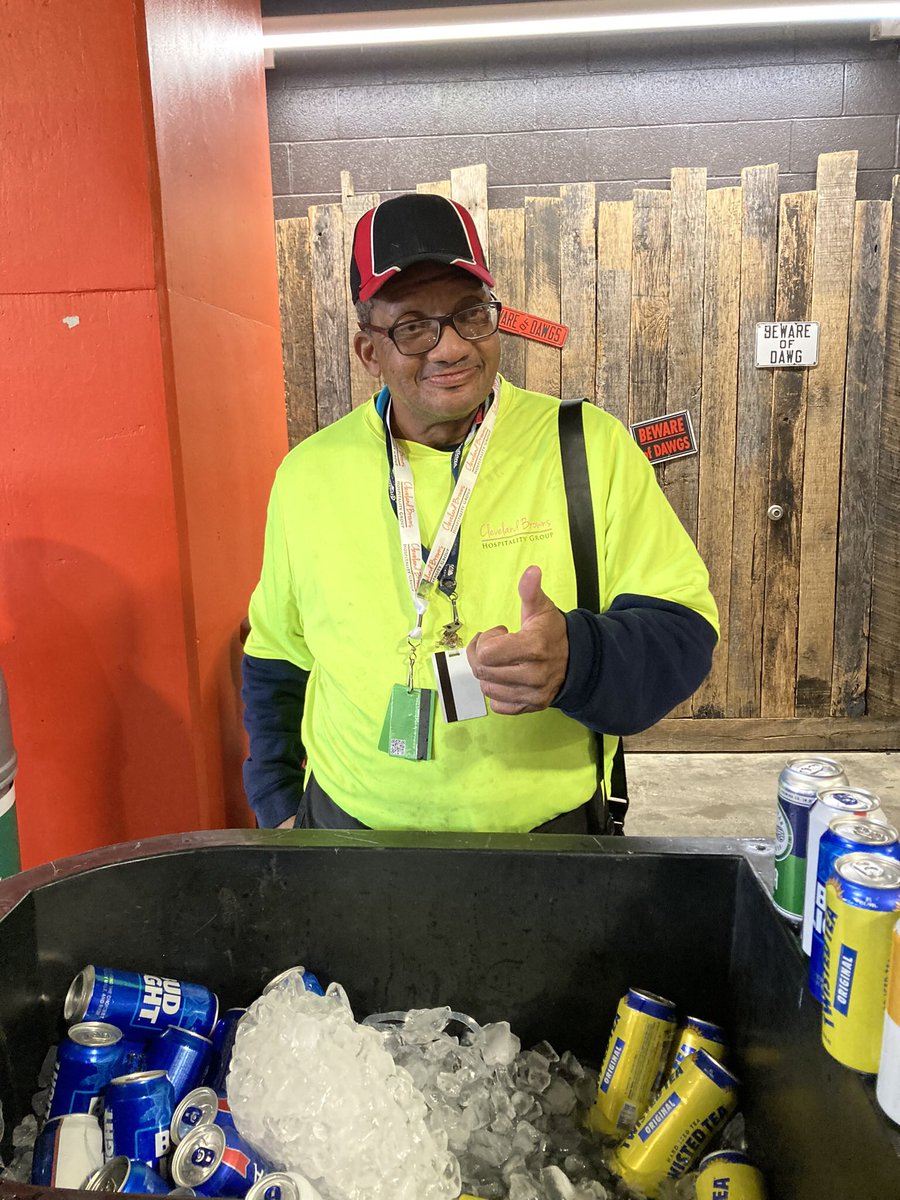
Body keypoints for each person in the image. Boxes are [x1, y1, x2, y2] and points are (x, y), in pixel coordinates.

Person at [241, 192, 718, 834]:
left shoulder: (587, 447)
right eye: (412, 325)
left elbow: (684, 633)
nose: (450, 348)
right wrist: (276, 805)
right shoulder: (306, 475)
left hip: (545, 842)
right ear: (368, 352)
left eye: (469, 314)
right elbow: (277, 657)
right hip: (347, 835)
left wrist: (579, 658)